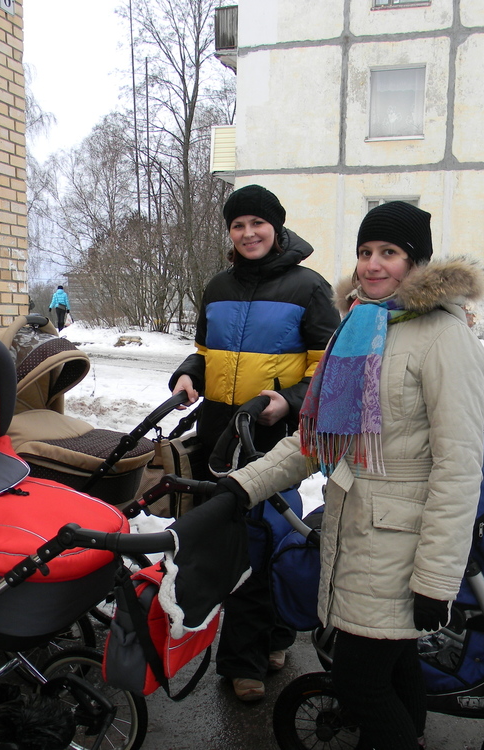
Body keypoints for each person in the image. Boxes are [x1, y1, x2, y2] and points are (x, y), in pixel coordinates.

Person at [212, 201, 484, 748]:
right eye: (365, 252)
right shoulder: (361, 325)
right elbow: (316, 437)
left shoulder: (444, 338)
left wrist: (436, 579)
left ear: (418, 263)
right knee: (396, 670)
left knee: (359, 683)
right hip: (359, 528)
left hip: (402, 545)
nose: (372, 265)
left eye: (389, 253)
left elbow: (459, 469)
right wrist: (244, 484)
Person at [169, 184, 340, 701]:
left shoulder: (309, 287)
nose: (247, 233)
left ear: (276, 228)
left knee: (267, 540)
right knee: (231, 545)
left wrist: (289, 400)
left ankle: (254, 651)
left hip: (273, 438)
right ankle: (263, 642)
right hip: (219, 432)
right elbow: (204, 351)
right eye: (238, 225)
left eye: (257, 224)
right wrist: (186, 373)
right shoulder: (217, 286)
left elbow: (326, 369)